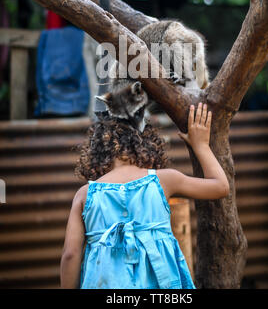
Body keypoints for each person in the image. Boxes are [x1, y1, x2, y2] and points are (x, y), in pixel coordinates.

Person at [60, 103, 230, 289]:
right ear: (146, 143)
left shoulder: (85, 195)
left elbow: (70, 254)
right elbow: (220, 186)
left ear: (98, 151)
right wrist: (202, 146)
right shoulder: (164, 180)